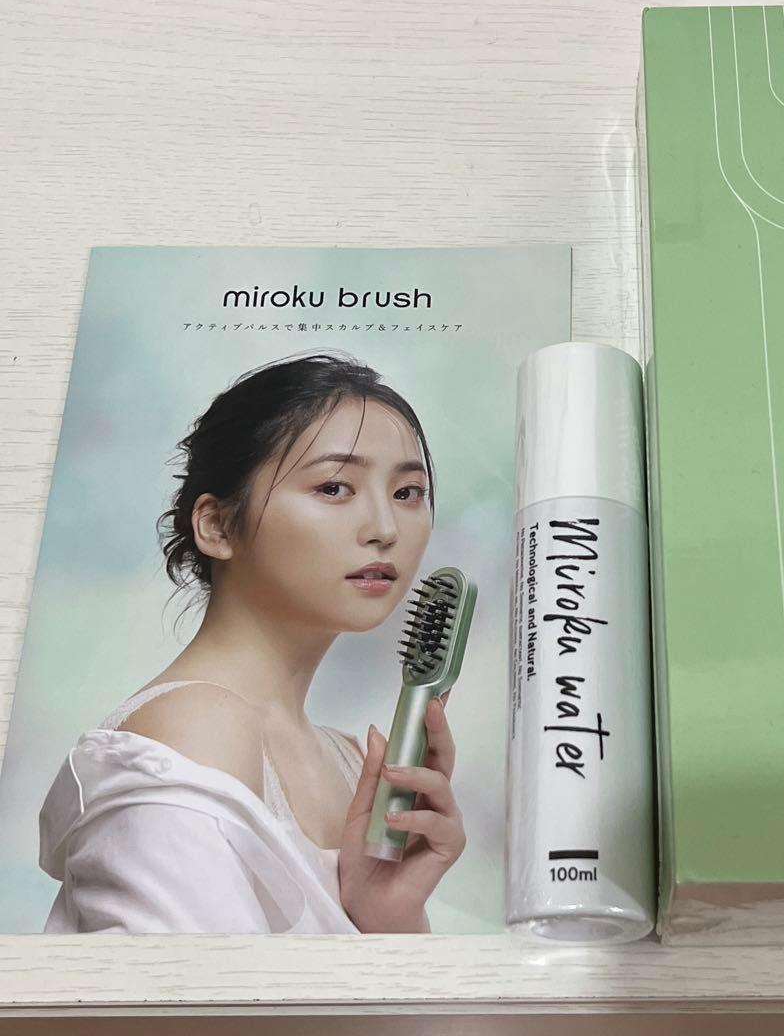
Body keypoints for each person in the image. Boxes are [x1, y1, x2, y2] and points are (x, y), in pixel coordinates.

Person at [38, 352, 466, 932]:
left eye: (408, 492)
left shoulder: (349, 761)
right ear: (216, 525)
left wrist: (390, 915)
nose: (385, 529)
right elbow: (184, 992)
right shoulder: (197, 730)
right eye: (334, 487)